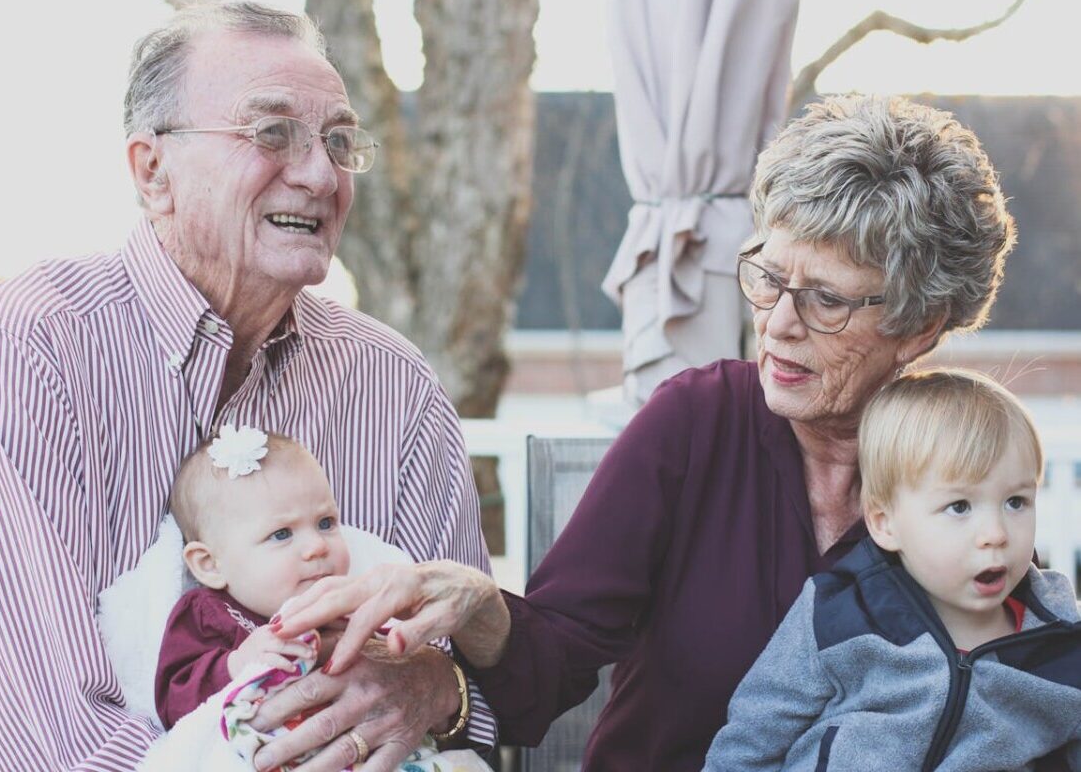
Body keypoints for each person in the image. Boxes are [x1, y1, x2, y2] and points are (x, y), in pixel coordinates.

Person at [263, 94, 1029, 771]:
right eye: (767, 276)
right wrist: (479, 601)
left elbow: (1017, 688)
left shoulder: (969, 466)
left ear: (919, 326)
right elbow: (544, 675)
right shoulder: (696, 425)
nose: (778, 324)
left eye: (826, 299)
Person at [0, 1, 495, 771]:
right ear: (152, 170)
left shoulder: (393, 384)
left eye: (338, 141)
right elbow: (37, 731)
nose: (318, 173)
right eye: (271, 134)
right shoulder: (27, 346)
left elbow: (474, 681)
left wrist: (436, 686)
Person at [702, 369, 1081, 771]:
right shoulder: (840, 615)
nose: (995, 534)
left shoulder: (1060, 641)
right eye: (959, 507)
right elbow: (752, 738)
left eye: (1016, 502)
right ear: (885, 523)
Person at [155, 426, 350, 730]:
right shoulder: (210, 614)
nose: (318, 546)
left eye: (326, 522)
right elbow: (173, 702)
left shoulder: (350, 604)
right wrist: (236, 665)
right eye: (281, 534)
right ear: (210, 565)